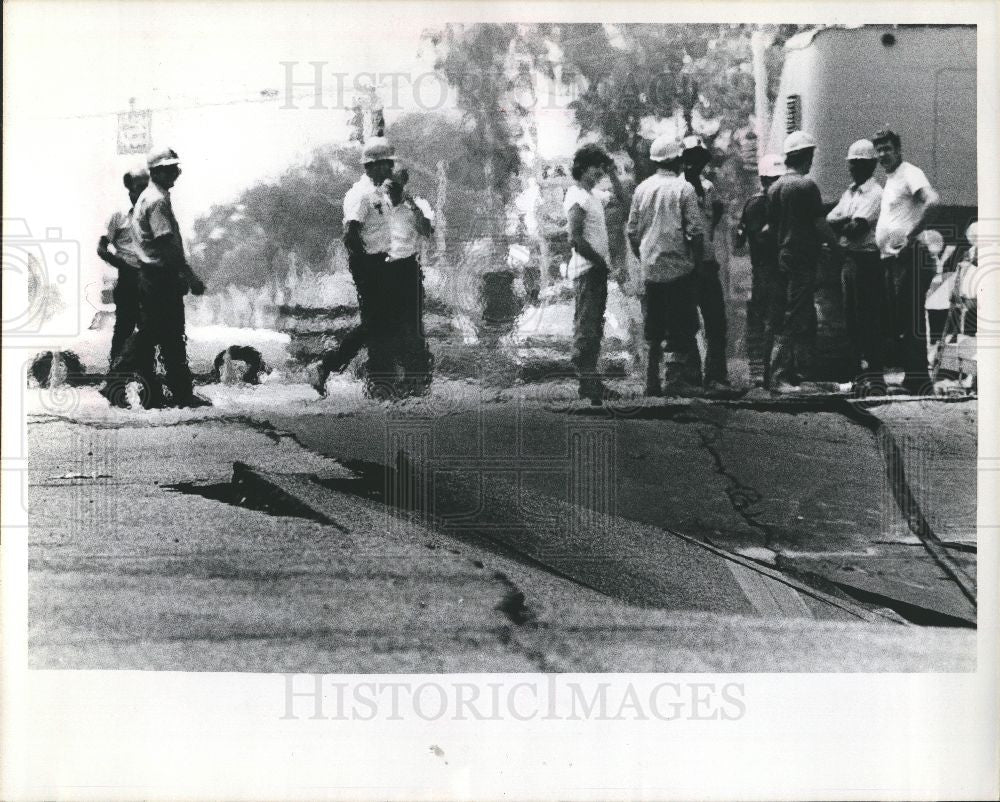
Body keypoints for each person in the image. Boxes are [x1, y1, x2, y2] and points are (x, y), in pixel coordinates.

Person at [103, 146, 209, 409]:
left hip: (152, 276)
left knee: (166, 335)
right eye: (172, 168)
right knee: (156, 334)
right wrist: (189, 276)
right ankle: (118, 380)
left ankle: (178, 392)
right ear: (159, 171)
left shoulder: (151, 197)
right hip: (160, 276)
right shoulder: (156, 200)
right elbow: (166, 245)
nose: (177, 172)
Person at [626, 135, 706, 396]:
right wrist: (695, 263)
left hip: (651, 270)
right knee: (680, 327)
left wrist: (644, 257)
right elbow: (696, 231)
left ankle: (651, 383)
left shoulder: (641, 190)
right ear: (677, 160)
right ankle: (674, 380)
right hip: (679, 269)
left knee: (654, 328)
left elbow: (632, 232)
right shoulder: (684, 189)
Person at [315, 137, 394, 397]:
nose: (387, 168)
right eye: (381, 164)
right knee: (375, 323)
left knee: (383, 324)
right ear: (369, 167)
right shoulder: (359, 195)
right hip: (369, 263)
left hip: (387, 263)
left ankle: (381, 380)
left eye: (388, 163)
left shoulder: (384, 193)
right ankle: (327, 365)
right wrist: (365, 268)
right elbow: (351, 234)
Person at [765, 130, 842, 392]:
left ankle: (795, 372)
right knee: (797, 313)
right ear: (805, 157)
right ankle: (780, 375)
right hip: (801, 258)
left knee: (796, 311)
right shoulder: (806, 186)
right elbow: (818, 222)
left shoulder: (775, 188)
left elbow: (772, 228)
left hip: (784, 256)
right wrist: (835, 246)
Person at [872, 126, 941, 394]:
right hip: (894, 259)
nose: (883, 154)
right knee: (902, 319)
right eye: (879, 150)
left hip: (910, 257)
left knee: (910, 318)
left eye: (887, 148)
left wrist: (911, 236)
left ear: (898, 150)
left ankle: (919, 381)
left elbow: (932, 202)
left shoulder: (910, 173)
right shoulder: (891, 179)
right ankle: (914, 378)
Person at [563, 143, 627, 403]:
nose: (598, 173)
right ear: (581, 168)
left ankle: (591, 384)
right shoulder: (576, 196)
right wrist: (600, 262)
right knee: (587, 327)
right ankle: (587, 382)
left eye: (600, 168)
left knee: (594, 327)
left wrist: (612, 173)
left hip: (596, 271)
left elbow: (622, 202)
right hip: (587, 270)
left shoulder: (594, 196)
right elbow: (574, 238)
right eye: (594, 168)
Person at [826, 139, 885, 392]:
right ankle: (858, 375)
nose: (852, 168)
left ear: (870, 165)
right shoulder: (850, 193)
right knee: (850, 317)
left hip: (866, 260)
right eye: (851, 164)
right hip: (850, 260)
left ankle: (875, 375)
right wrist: (844, 222)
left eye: (858, 164)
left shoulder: (875, 194)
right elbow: (830, 219)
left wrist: (844, 222)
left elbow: (855, 228)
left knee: (868, 318)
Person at [379, 167, 435, 396]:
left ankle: (418, 377)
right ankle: (395, 378)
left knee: (412, 324)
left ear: (404, 187)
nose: (392, 192)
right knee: (389, 325)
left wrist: (413, 206)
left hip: (408, 268)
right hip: (385, 269)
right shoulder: (379, 208)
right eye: (389, 188)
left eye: (396, 188)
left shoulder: (416, 206)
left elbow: (427, 232)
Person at [682, 135, 729, 390]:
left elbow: (716, 212)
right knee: (688, 323)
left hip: (708, 263)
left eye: (697, 159)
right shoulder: (678, 188)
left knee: (716, 322)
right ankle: (691, 377)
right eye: (689, 159)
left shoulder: (708, 188)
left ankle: (716, 376)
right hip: (687, 265)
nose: (693, 164)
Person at [735, 154, 785, 387]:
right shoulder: (762, 205)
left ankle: (765, 371)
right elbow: (754, 237)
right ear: (764, 180)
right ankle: (762, 372)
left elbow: (739, 237)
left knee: (768, 320)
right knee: (768, 320)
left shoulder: (755, 203)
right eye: (773, 179)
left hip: (769, 269)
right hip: (767, 269)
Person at [97, 167, 149, 367]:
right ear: (131, 192)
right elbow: (101, 248)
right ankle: (115, 372)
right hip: (128, 278)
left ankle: (148, 373)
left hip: (151, 278)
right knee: (124, 328)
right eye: (138, 189)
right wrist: (119, 263)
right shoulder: (118, 217)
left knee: (151, 328)